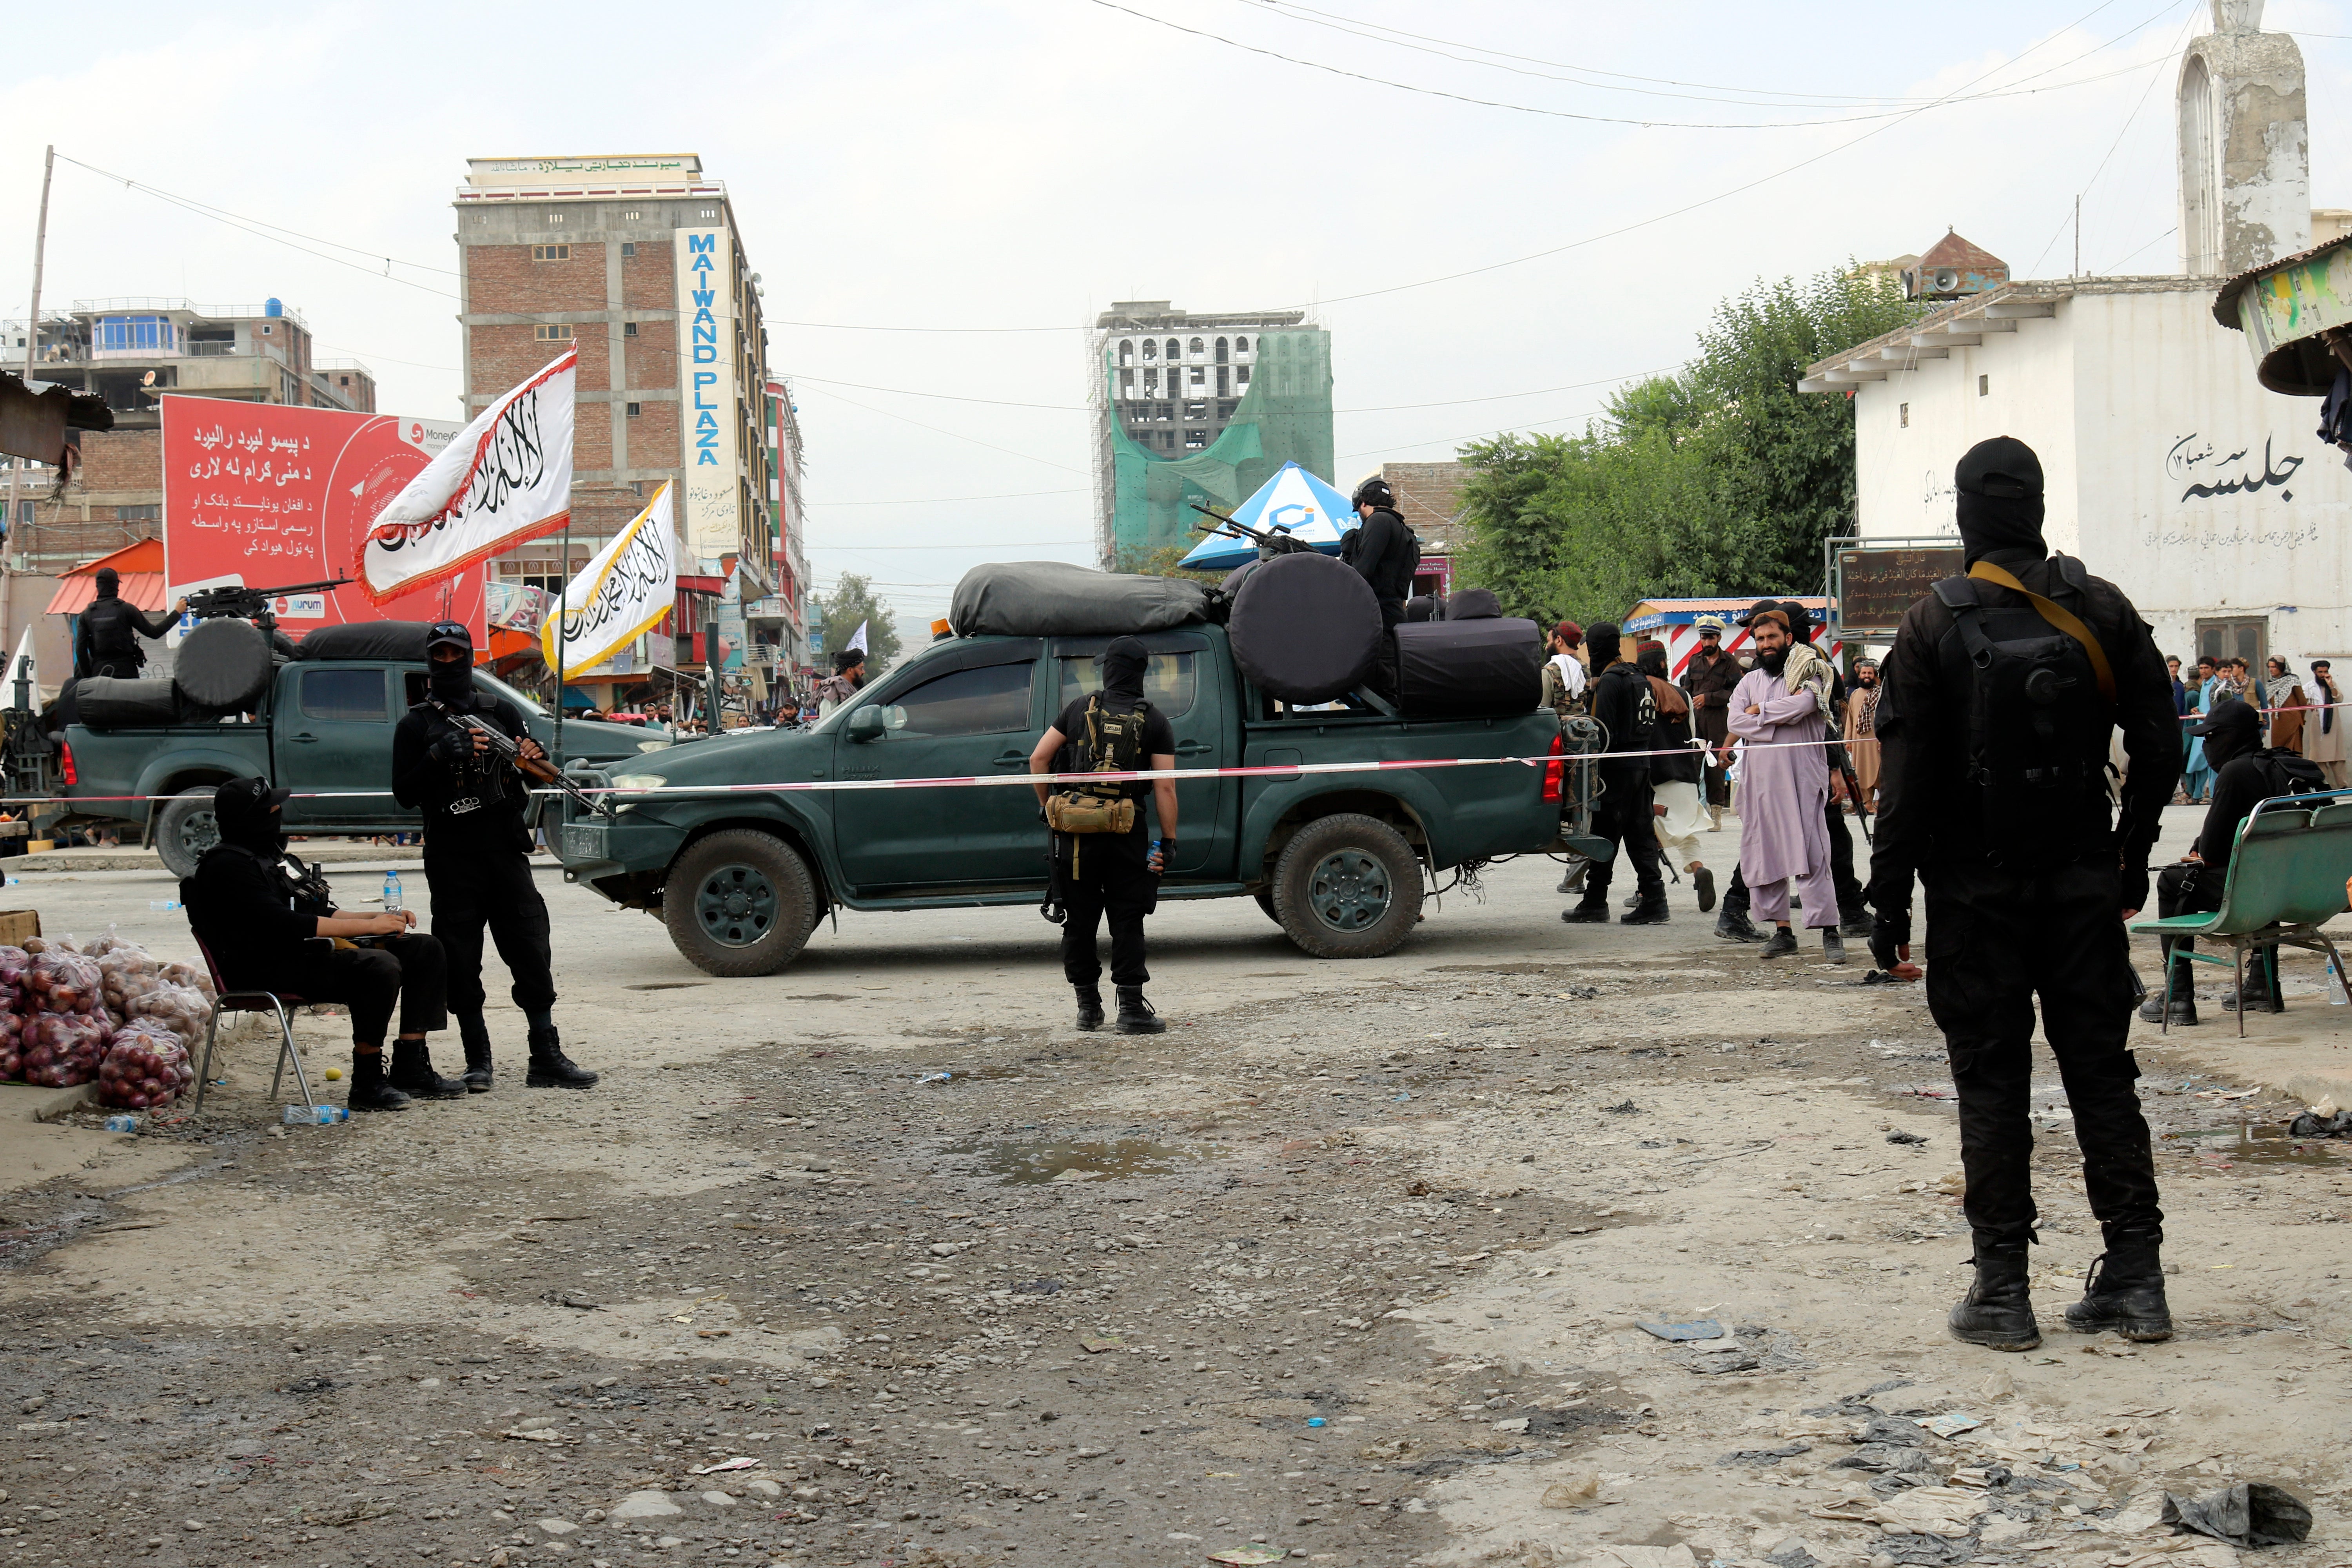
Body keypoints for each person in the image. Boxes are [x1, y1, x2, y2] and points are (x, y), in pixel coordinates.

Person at [1866, 434, 2180, 1351]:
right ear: (2037, 506)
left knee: (1992, 1084)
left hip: (1973, 897)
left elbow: (1906, 784)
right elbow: (2158, 748)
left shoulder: (1929, 625)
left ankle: (2003, 1289)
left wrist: (1887, 905)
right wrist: (2130, 855)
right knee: (2101, 1075)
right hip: (2083, 887)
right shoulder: (2102, 606)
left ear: (1965, 515)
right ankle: (2138, 1277)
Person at [391, 621, 597, 1093]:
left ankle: (545, 1054)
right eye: (439, 656)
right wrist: (441, 754)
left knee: (529, 948)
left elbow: (537, 776)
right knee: (461, 961)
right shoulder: (416, 725)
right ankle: (476, 1060)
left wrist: (532, 754)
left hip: (505, 852)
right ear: (429, 661)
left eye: (455, 655)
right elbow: (404, 794)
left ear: (469, 658)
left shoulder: (500, 712)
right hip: (452, 859)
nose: (448, 664)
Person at [183, 777, 448, 1112]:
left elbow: (321, 911)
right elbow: (285, 924)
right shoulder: (227, 868)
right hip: (265, 970)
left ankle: (411, 1065)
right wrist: (367, 926)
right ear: (249, 819)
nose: (278, 816)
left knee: (424, 949)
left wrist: (376, 920)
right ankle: (367, 1080)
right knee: (378, 967)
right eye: (271, 811)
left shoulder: (270, 858)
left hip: (303, 955)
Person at [1030, 636, 1177, 1034]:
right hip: (1129, 834)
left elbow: (1039, 758)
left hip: (1076, 837)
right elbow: (1165, 787)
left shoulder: (1079, 709)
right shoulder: (1156, 720)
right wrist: (1168, 841)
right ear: (1141, 673)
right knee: (1127, 917)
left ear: (1109, 670)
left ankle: (1088, 1008)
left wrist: (1048, 808)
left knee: (1079, 919)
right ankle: (1130, 1009)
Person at [2147, 697, 2326, 1023]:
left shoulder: (2236, 771)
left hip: (2261, 894)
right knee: (2265, 869)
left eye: (2212, 738)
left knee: (2173, 880)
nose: (2208, 746)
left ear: (2231, 736)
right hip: (2311, 893)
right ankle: (2262, 985)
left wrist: (2200, 856)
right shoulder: (2296, 766)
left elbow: (2212, 853)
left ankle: (2178, 995)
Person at [1724, 603, 1843, 962]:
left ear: (1788, 638)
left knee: (1814, 856)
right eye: (1760, 639)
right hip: (1762, 786)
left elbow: (1808, 703)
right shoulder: (1749, 682)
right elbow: (1735, 723)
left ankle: (1829, 932)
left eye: (1772, 636)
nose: (1766, 644)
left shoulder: (1811, 670)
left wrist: (1760, 712)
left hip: (1803, 781)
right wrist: (1772, 715)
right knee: (1768, 856)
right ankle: (1783, 932)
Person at [1562, 624, 1667, 925]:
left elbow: (1600, 731)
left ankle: (1596, 901)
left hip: (1617, 771)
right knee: (1641, 835)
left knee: (1605, 832)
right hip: (1641, 766)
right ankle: (1655, 899)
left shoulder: (1611, 681)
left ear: (1596, 649)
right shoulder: (1637, 675)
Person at [1636, 641, 1714, 912]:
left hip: (1652, 778)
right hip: (1684, 773)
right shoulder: (1682, 694)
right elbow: (1693, 736)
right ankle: (1699, 869)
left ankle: (1646, 891)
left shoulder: (1638, 693)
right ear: (1662, 664)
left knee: (1644, 833)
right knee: (1686, 831)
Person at [1348, 477, 1416, 699]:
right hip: (1393, 615)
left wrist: (1349, 557)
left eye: (1358, 508)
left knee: (1379, 688)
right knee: (1392, 684)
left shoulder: (1378, 522)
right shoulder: (1405, 531)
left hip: (1377, 617)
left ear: (1363, 502)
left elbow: (1361, 574)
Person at [1680, 615, 1742, 831]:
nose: (1707, 642)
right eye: (1703, 638)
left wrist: (1710, 698)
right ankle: (1694, 814)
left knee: (1715, 768)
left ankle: (1716, 814)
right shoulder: (1694, 661)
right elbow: (1687, 690)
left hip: (1718, 720)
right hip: (1696, 722)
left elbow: (1736, 692)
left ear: (1719, 638)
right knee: (1692, 767)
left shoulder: (1730, 662)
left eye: (1711, 638)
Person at [74, 567, 187, 681]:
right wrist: (177, 613)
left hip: (99, 675)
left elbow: (80, 650)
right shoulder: (127, 609)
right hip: (127, 673)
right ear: (116, 586)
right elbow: (155, 633)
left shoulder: (87, 614)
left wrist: (88, 679)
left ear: (97, 586)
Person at [1844, 658, 1883, 814]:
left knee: (1880, 771)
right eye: (1864, 673)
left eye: (1870, 673)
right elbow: (1851, 719)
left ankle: (1881, 802)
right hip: (1859, 741)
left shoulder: (1881, 693)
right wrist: (1849, 741)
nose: (1867, 676)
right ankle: (1867, 802)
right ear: (1859, 675)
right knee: (1861, 771)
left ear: (1875, 675)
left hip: (1876, 740)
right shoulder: (1855, 694)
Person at [2308, 659, 2347, 789]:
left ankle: (2343, 786)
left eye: (2326, 672)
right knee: (2319, 758)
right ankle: (2322, 788)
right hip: (2318, 725)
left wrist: (2331, 685)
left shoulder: (2332, 685)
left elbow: (2339, 699)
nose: (2323, 675)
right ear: (2315, 672)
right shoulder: (2309, 687)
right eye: (2320, 672)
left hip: (2333, 725)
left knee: (2337, 757)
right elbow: (2305, 702)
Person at [1539, 622, 1588, 718]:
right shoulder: (1590, 671)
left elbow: (1542, 714)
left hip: (1556, 732)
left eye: (1549, 641)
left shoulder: (1549, 672)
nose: (1546, 647)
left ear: (1559, 640)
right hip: (1588, 731)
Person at [2180, 665, 2213, 804]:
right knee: (2197, 762)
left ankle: (2196, 793)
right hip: (2196, 730)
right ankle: (2194, 792)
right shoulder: (2194, 693)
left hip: (2197, 730)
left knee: (2197, 762)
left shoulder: (2190, 689)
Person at [2261, 655, 2307, 754]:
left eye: (2274, 667)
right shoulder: (2271, 684)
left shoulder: (2292, 681)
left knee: (2294, 751)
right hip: (2278, 721)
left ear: (2281, 667)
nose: (2271, 670)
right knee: (2278, 750)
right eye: (2269, 667)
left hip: (2293, 721)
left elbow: (2302, 701)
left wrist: (2301, 718)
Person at [814, 650, 866, 717]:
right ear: (850, 670)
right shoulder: (833, 690)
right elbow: (826, 721)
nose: (863, 672)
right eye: (861, 668)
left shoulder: (851, 689)